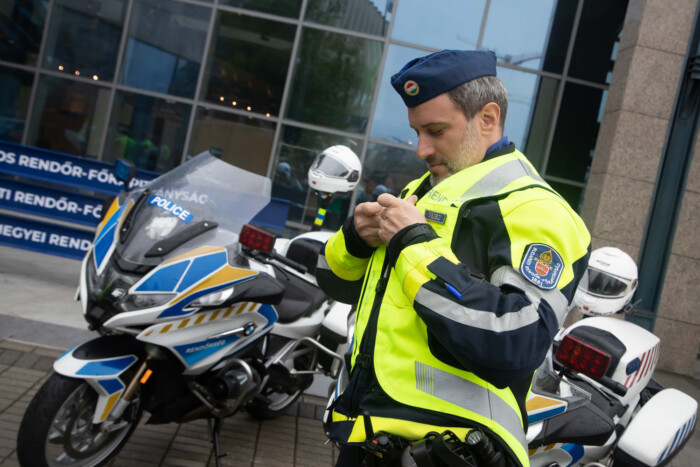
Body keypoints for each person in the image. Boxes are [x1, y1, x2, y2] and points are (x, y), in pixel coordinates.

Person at [315, 50, 591, 466]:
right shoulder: (419, 193)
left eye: (435, 131)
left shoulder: (536, 209)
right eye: (417, 132)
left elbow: (517, 342)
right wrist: (354, 239)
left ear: (487, 118)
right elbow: (336, 283)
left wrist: (414, 245)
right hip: (369, 439)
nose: (421, 149)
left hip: (455, 452)